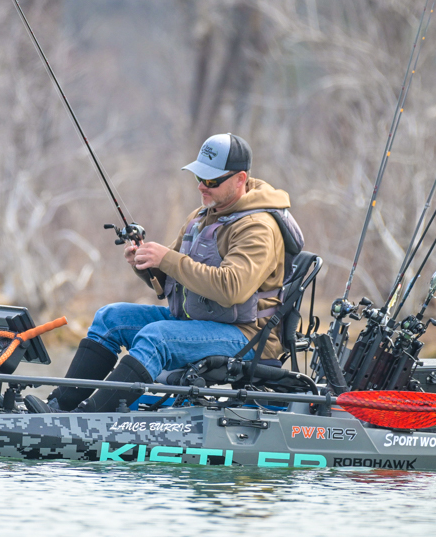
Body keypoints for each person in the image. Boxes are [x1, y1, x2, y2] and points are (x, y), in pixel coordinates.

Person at [28, 132, 302, 413]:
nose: (201, 186)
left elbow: (232, 288)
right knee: (110, 319)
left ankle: (89, 417)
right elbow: (173, 277)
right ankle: (60, 406)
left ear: (240, 179)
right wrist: (146, 264)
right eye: (199, 177)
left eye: (211, 181)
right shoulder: (201, 216)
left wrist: (167, 259)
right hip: (198, 321)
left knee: (157, 337)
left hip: (247, 336)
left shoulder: (257, 227)